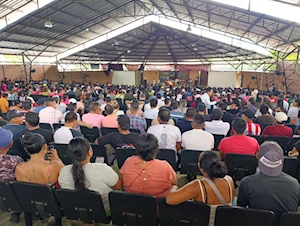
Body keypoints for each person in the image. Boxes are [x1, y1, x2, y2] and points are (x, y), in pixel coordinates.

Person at [238, 141, 300, 225]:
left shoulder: (247, 182)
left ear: (257, 156)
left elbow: (241, 208)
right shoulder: (295, 184)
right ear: (282, 160)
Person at [59, 137, 122, 217]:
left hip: (78, 210)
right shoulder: (102, 169)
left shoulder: (63, 171)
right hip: (104, 211)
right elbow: (118, 186)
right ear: (89, 153)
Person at [166, 151, 234, 226]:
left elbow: (170, 200)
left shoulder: (198, 186)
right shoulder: (229, 180)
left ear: (200, 168)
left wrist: (174, 186)